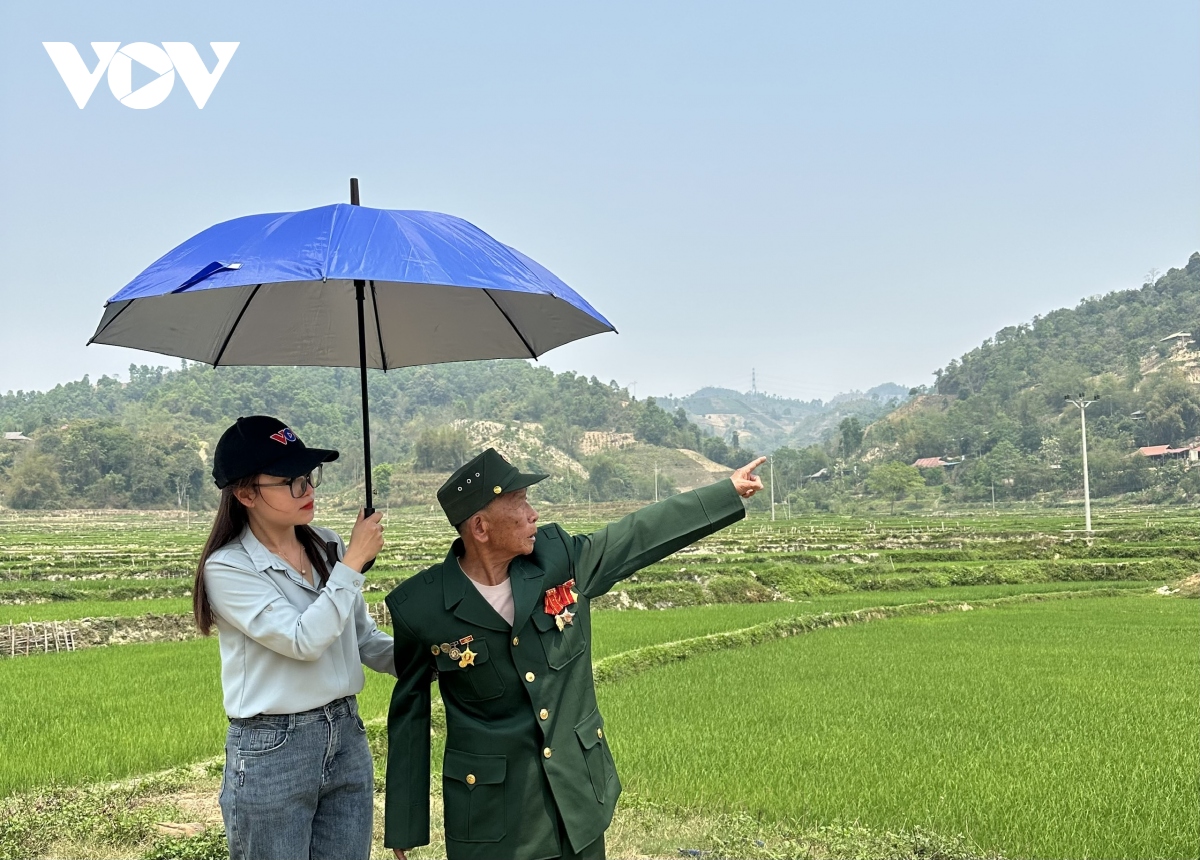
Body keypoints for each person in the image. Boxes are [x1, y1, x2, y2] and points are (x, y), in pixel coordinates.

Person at [383, 447, 765, 860]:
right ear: (480, 527)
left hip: (577, 801)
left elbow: (636, 535)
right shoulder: (420, 607)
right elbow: (410, 715)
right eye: (520, 503)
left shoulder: (557, 557)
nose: (533, 514)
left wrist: (725, 492)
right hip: (493, 821)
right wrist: (405, 823)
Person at [194, 415, 394, 860]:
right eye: (291, 481)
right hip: (274, 750)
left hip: (346, 735)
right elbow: (304, 641)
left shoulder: (327, 546)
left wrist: (434, 657)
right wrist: (354, 563)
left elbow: (363, 640)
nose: (307, 490)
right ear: (246, 494)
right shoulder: (228, 568)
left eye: (309, 477)